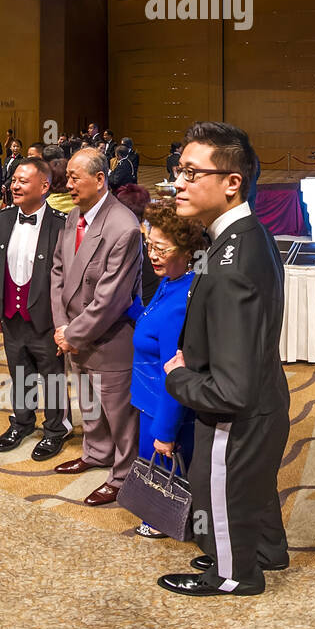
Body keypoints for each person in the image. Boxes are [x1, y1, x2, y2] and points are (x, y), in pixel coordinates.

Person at [159, 121, 287, 597]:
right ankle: (268, 551)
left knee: (224, 487)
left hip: (237, 415)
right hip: (266, 400)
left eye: (191, 173)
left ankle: (235, 573)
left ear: (232, 182)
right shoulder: (248, 234)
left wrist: (177, 378)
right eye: (179, 170)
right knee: (256, 485)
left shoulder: (231, 263)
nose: (178, 182)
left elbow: (229, 390)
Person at [49, 146, 145, 503]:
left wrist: (72, 333)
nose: (67, 183)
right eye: (68, 177)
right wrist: (63, 328)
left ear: (100, 179)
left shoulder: (123, 227)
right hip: (72, 335)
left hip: (108, 337)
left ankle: (123, 475)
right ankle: (96, 452)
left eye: (75, 177)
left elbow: (111, 299)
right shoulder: (75, 215)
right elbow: (58, 270)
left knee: (118, 412)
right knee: (89, 403)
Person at [123, 201, 203, 538]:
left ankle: (164, 521)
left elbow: (176, 372)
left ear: (186, 250)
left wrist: (165, 433)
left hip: (162, 408)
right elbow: (147, 324)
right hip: (149, 403)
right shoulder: (171, 282)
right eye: (149, 245)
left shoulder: (180, 300)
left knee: (164, 476)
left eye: (161, 248)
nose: (152, 254)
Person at [0, 155, 70, 461]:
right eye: (14, 180)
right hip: (11, 316)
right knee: (19, 372)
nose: (15, 185)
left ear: (44, 186)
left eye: (23, 180)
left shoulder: (60, 225)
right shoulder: (3, 219)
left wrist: (65, 324)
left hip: (46, 319)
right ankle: (22, 422)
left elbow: (68, 280)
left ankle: (55, 430)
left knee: (52, 377)